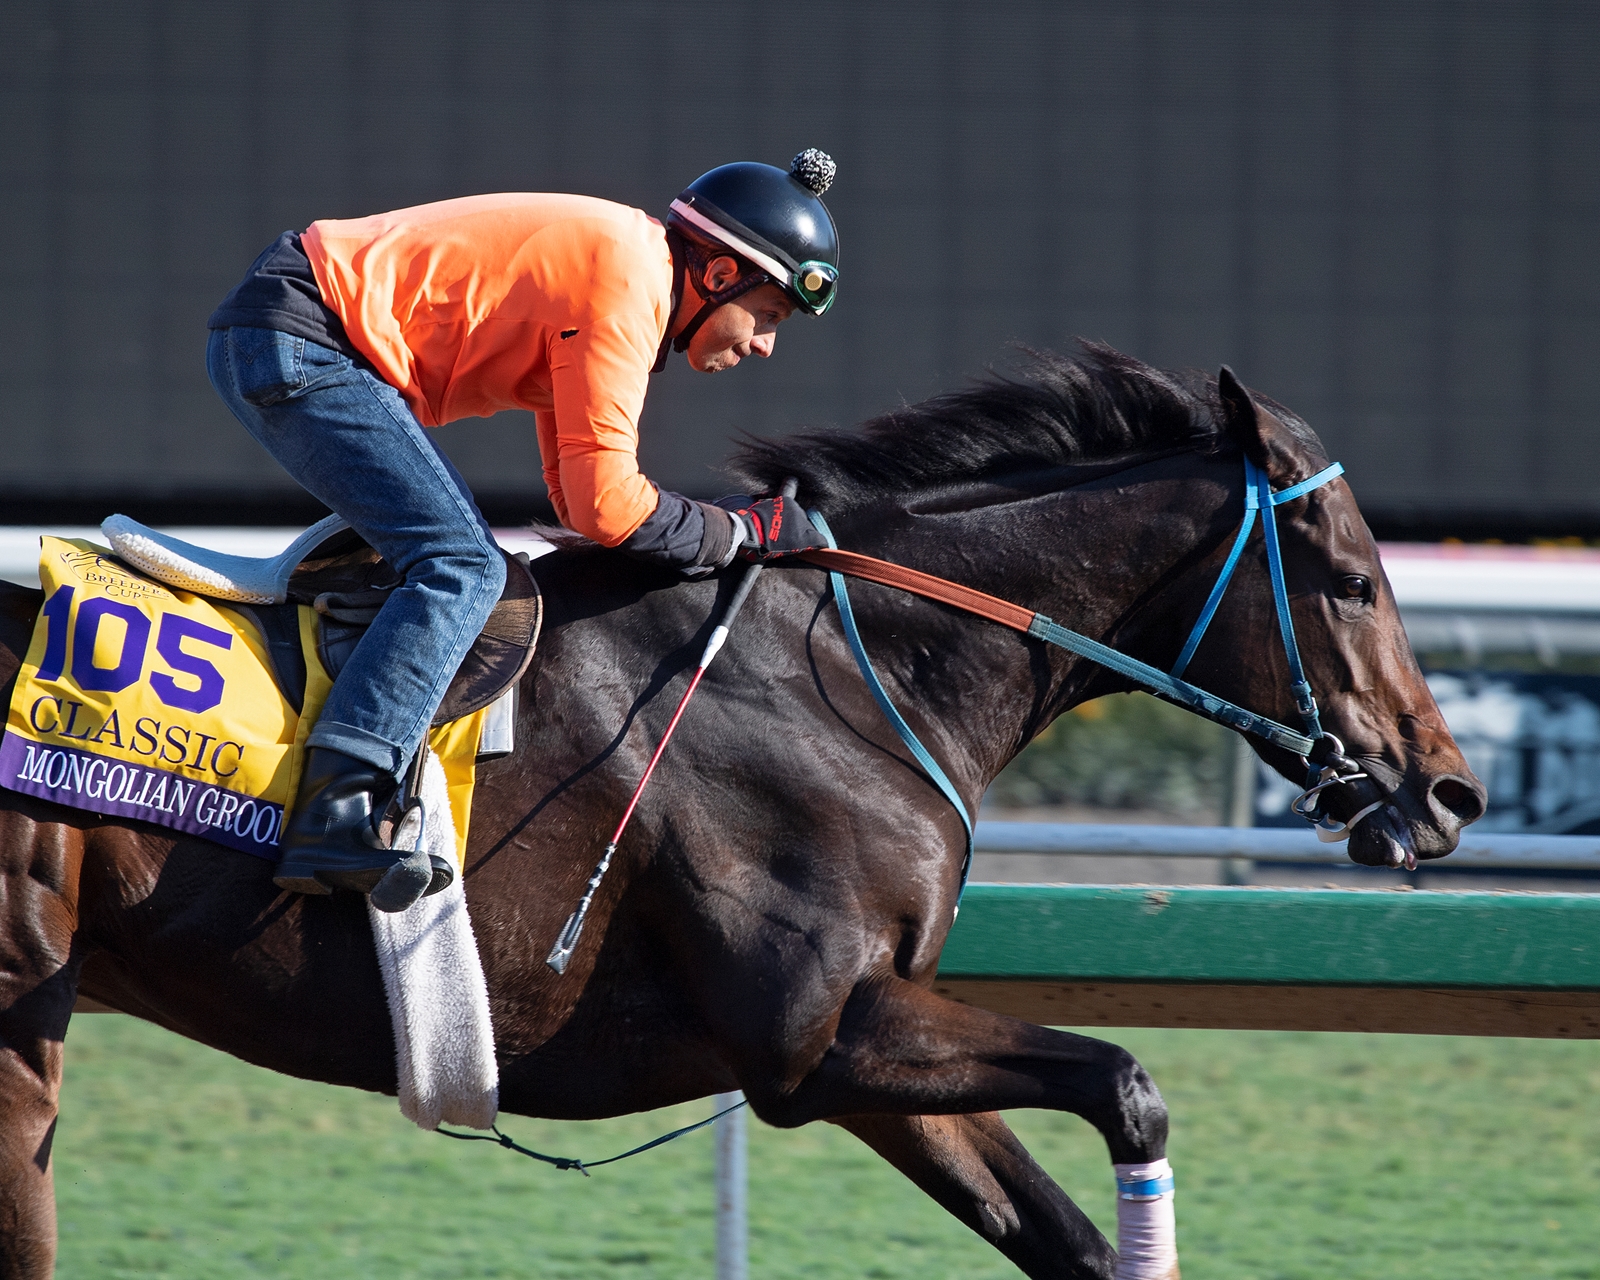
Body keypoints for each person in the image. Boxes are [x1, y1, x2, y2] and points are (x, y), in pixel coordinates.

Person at [205, 150, 840, 912]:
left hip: (292, 330)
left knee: (455, 560)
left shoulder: (620, 265)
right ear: (715, 276)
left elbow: (582, 502)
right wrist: (737, 534)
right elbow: (609, 509)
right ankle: (338, 811)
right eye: (768, 315)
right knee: (460, 569)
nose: (765, 344)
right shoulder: (627, 284)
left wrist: (717, 530)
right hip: (307, 339)